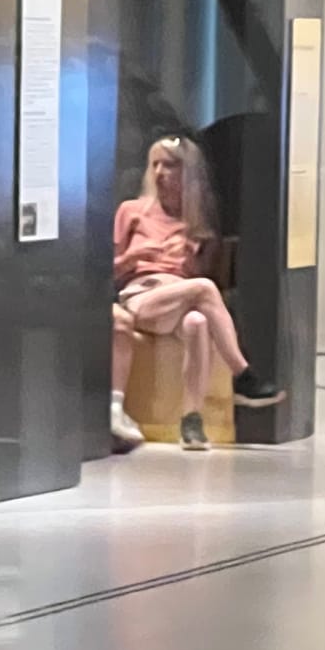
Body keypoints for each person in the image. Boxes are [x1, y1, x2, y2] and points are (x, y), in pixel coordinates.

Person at [111, 135, 280, 452]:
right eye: (155, 165)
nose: (160, 173)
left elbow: (206, 279)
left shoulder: (197, 223)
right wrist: (137, 256)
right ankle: (242, 373)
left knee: (197, 322)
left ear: (188, 173)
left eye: (170, 166)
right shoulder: (131, 211)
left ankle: (191, 420)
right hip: (141, 295)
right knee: (203, 289)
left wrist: (188, 257)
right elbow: (110, 269)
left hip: (178, 297)